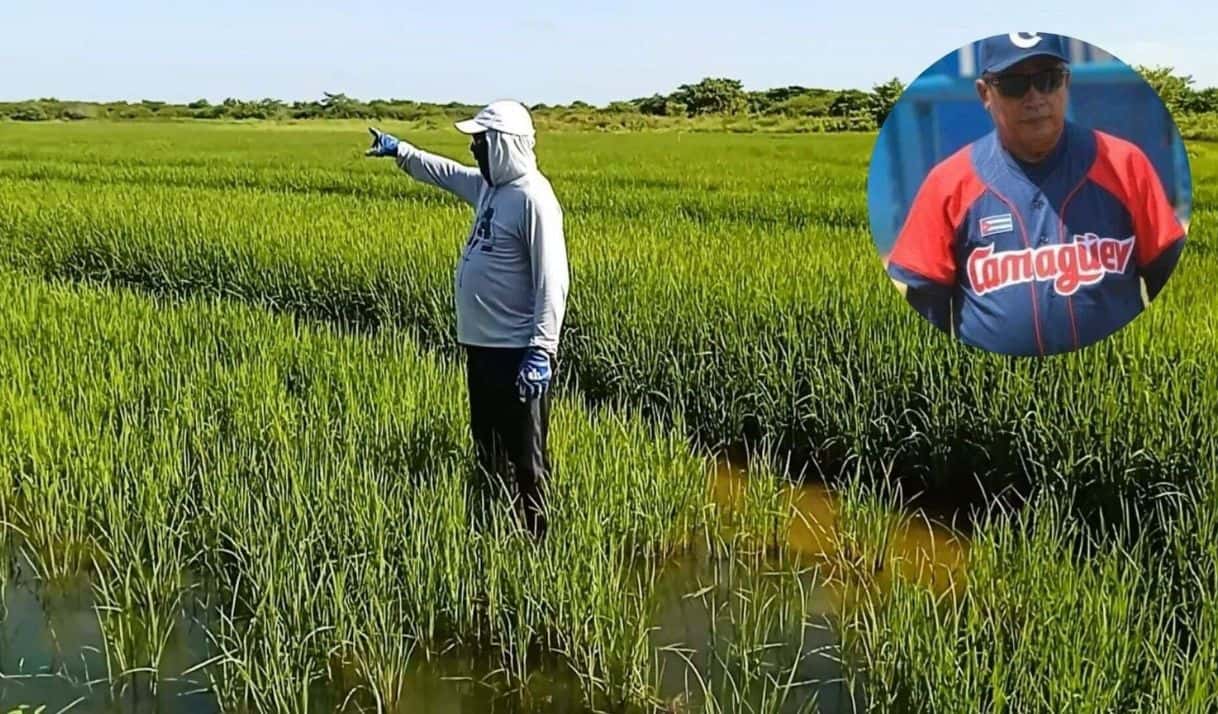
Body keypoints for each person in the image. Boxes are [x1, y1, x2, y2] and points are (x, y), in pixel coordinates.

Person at [885, 32, 1186, 357]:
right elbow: (924, 307)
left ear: (1066, 83)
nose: (1035, 98)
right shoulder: (948, 182)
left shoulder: (1124, 163)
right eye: (1015, 84)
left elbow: (1171, 283)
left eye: (1048, 79)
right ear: (985, 93)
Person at [365, 100, 569, 538]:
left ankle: (537, 540)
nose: (474, 149)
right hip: (482, 350)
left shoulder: (534, 200)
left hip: (517, 354)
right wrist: (401, 151)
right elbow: (446, 173)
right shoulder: (490, 189)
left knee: (526, 457)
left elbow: (553, 281)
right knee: (487, 447)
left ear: (504, 145)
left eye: (481, 141)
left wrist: (541, 351)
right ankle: (491, 526)